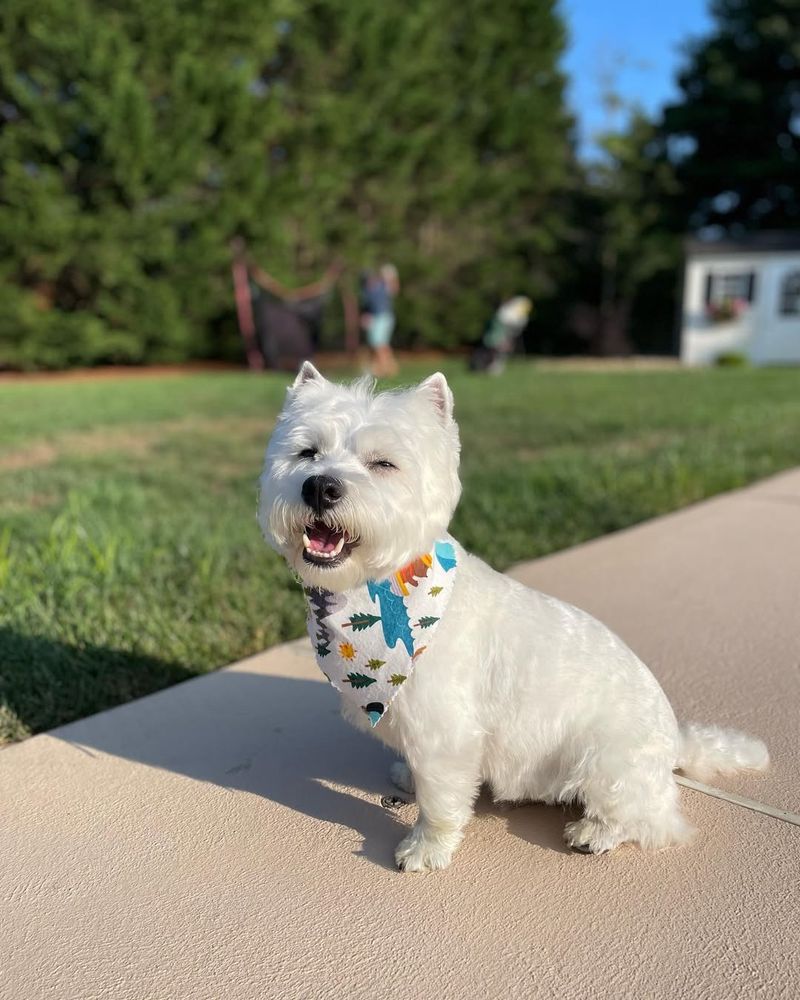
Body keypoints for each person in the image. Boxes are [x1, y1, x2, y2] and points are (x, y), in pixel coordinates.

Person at [470, 295, 532, 374]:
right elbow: (513, 322)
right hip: (502, 327)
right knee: (497, 347)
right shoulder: (508, 312)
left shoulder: (518, 308)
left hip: (505, 329)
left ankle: (493, 366)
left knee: (501, 347)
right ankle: (491, 366)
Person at [361, 263, 399, 376]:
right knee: (378, 344)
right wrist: (365, 316)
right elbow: (366, 307)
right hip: (375, 318)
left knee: (379, 344)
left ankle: (388, 368)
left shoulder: (382, 285)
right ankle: (383, 367)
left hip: (383, 317)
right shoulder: (366, 291)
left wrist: (391, 275)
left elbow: (394, 288)